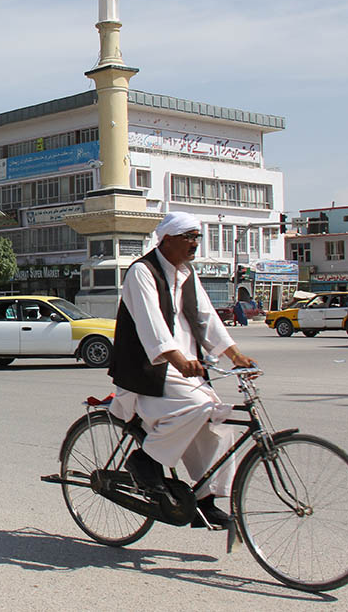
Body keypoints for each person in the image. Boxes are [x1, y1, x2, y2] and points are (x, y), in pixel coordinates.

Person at [108, 212, 258, 530]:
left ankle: (205, 502)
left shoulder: (187, 274)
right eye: (188, 237)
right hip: (149, 372)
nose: (194, 244)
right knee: (199, 405)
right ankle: (145, 460)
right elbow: (151, 326)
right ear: (167, 240)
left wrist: (235, 355)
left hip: (185, 372)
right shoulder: (142, 272)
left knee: (219, 421)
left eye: (197, 237)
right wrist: (178, 360)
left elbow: (207, 320)